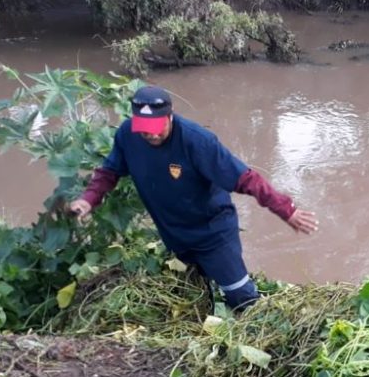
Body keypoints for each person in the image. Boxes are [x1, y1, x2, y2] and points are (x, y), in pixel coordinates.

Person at [69, 86, 318, 312]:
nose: (151, 136)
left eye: (157, 128)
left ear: (170, 115)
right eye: (144, 130)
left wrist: (286, 210)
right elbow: (109, 172)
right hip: (174, 235)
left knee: (241, 296)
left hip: (212, 233)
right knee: (196, 293)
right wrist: (88, 199)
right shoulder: (127, 135)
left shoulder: (197, 142)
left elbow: (245, 179)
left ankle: (257, 339)